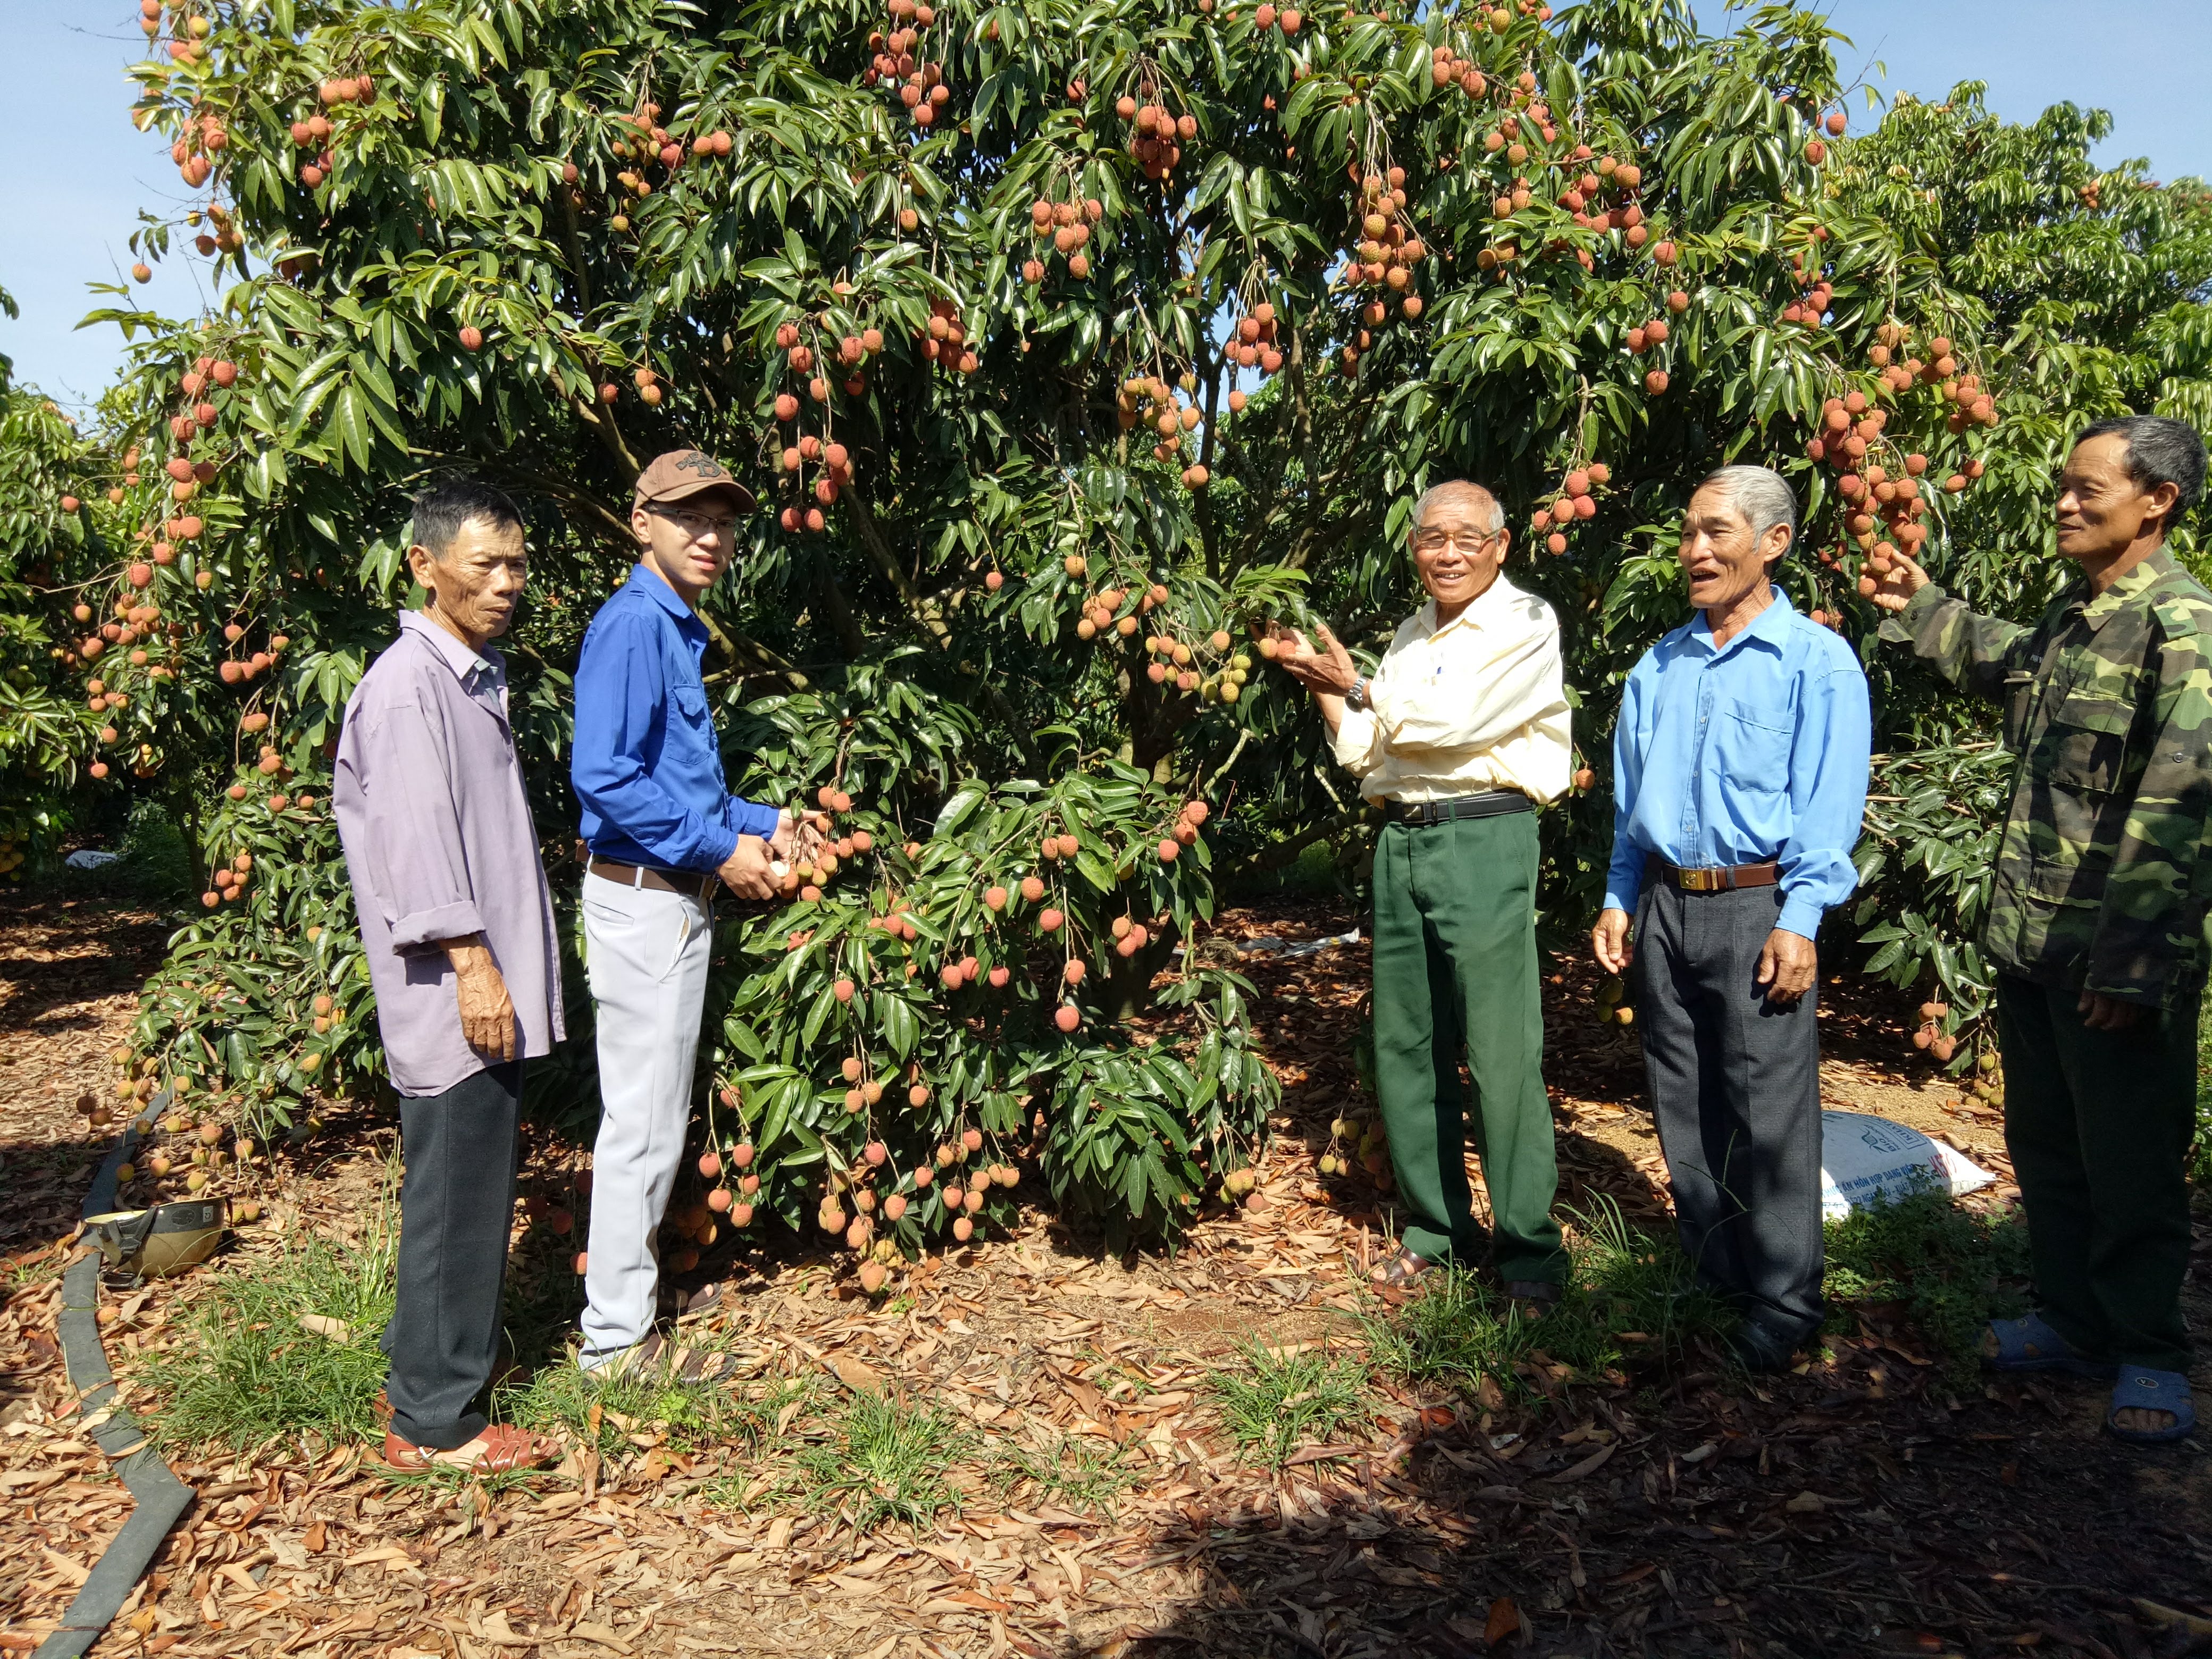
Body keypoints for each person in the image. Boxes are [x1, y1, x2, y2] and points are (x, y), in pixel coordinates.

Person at [1870, 415, 2208, 1445]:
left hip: (2111, 955)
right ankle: (2071, 1319)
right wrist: (1917, 606)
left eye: (2086, 490)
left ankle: (2149, 1350)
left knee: (2132, 1160)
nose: (2063, 503)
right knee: (2046, 1145)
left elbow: (2182, 800)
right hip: (2030, 941)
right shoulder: (2076, 618)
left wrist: (2134, 960)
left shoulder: (2181, 629)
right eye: (2062, 487)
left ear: (2156, 502)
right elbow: (1999, 658)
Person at [1591, 466, 1871, 1372]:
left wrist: (1803, 918)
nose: (1696, 551)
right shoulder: (1660, 663)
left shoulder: (1816, 661)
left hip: (1758, 902)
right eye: (1688, 534)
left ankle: (1787, 1301)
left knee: (1769, 1107)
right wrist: (1618, 895)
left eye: (1717, 532)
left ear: (1774, 543)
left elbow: (1830, 804)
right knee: (1682, 1093)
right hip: (1667, 901)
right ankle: (1713, 1271)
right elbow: (1633, 801)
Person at [1277, 480, 1573, 1307]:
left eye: (1466, 538)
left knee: (1501, 1050)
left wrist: (1364, 686)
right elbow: (1367, 749)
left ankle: (1528, 1253)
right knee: (1407, 1045)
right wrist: (1319, 680)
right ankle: (1435, 1232)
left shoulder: (1525, 624)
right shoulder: (1411, 636)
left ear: (1501, 545)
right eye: (1431, 538)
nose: (1447, 553)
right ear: (1412, 547)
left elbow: (1455, 722)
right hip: (1402, 837)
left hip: (1485, 835)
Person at [570, 450, 822, 1374]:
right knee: (640, 1122)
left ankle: (631, 1302)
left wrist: (768, 822)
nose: (711, 536)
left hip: (666, 903)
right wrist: (723, 851)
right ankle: (615, 1345)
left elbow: (678, 783)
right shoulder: (634, 626)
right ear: (642, 523)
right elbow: (603, 779)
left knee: (656, 1116)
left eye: (723, 522)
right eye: (689, 518)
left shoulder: (672, 628)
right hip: (647, 905)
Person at [333, 477, 564, 1471]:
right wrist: (475, 969)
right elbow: (420, 850)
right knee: (456, 1197)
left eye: (517, 565)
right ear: (425, 567)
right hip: (456, 990)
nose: (508, 583)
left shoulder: (469, 675)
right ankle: (437, 1423)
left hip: (482, 979)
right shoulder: (408, 688)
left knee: (461, 1189)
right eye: (487, 565)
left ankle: (423, 1379)